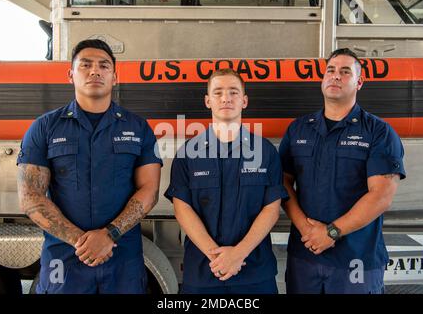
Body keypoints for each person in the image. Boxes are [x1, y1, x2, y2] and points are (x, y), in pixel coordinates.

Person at [16, 39, 162, 294]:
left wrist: (109, 236)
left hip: (121, 258)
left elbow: (149, 190)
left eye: (104, 66)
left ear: (114, 77)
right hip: (65, 256)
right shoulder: (45, 127)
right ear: (70, 75)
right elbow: (30, 197)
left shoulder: (138, 128)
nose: (95, 71)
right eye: (86, 65)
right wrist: (81, 242)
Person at [279, 48, 406, 294]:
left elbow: (381, 195)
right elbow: (283, 182)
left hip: (356, 258)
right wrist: (307, 230)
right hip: (305, 255)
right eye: (331, 70)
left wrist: (331, 232)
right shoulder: (299, 129)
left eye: (345, 72)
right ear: (322, 79)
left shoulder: (379, 132)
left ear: (359, 82)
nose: (336, 76)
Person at [165, 68, 288, 294]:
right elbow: (182, 209)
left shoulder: (265, 151)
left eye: (233, 92)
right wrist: (218, 258)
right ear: (208, 101)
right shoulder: (188, 153)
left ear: (244, 100)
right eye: (218, 92)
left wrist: (238, 254)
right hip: (204, 272)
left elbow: (271, 208)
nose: (226, 98)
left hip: (254, 273)